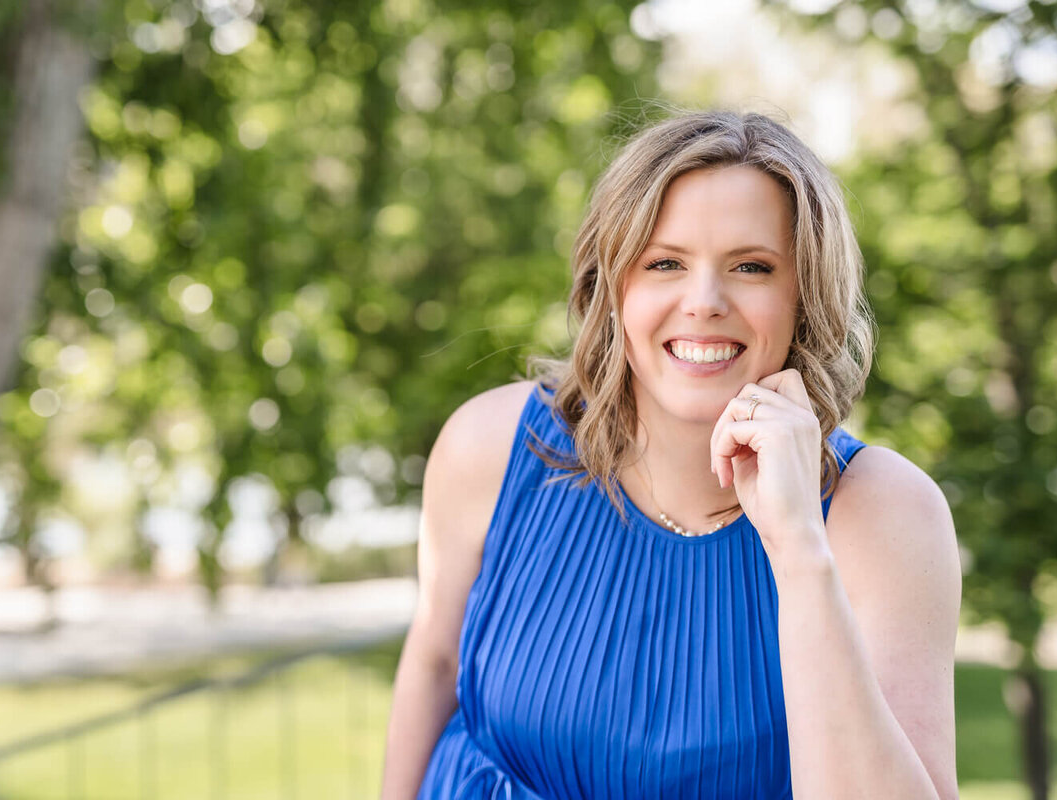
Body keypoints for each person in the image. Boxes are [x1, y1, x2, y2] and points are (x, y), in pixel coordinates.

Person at [380, 110, 961, 799]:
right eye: (665, 263)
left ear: (805, 295)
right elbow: (435, 664)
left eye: (751, 266)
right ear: (613, 287)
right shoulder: (490, 446)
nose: (704, 301)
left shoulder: (888, 513)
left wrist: (800, 547)